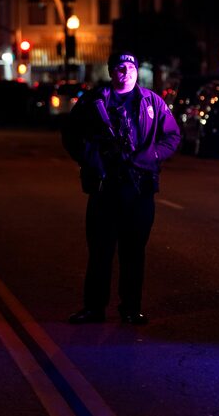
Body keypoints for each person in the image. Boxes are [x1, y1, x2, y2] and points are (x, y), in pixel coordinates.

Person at [61, 51, 181, 325]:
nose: (124, 72)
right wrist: (93, 159)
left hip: (139, 189)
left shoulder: (152, 102)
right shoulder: (94, 101)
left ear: (136, 71)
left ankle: (131, 308)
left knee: (133, 252)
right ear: (111, 71)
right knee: (100, 252)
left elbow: (172, 135)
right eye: (119, 67)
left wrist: (149, 156)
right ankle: (94, 308)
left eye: (129, 67)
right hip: (104, 188)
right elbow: (70, 134)